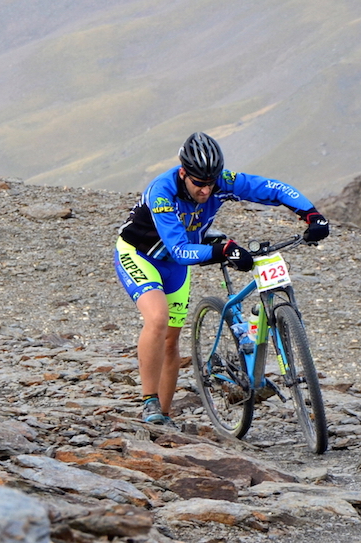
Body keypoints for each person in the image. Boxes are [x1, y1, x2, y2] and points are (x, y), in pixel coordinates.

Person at [113, 131, 331, 425]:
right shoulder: (161, 192)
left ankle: (163, 419)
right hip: (141, 255)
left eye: (210, 183)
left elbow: (272, 188)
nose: (205, 190)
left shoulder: (220, 182)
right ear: (183, 173)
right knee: (158, 319)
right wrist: (223, 250)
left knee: (171, 341)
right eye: (198, 184)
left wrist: (311, 214)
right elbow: (178, 250)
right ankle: (149, 401)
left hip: (177, 263)